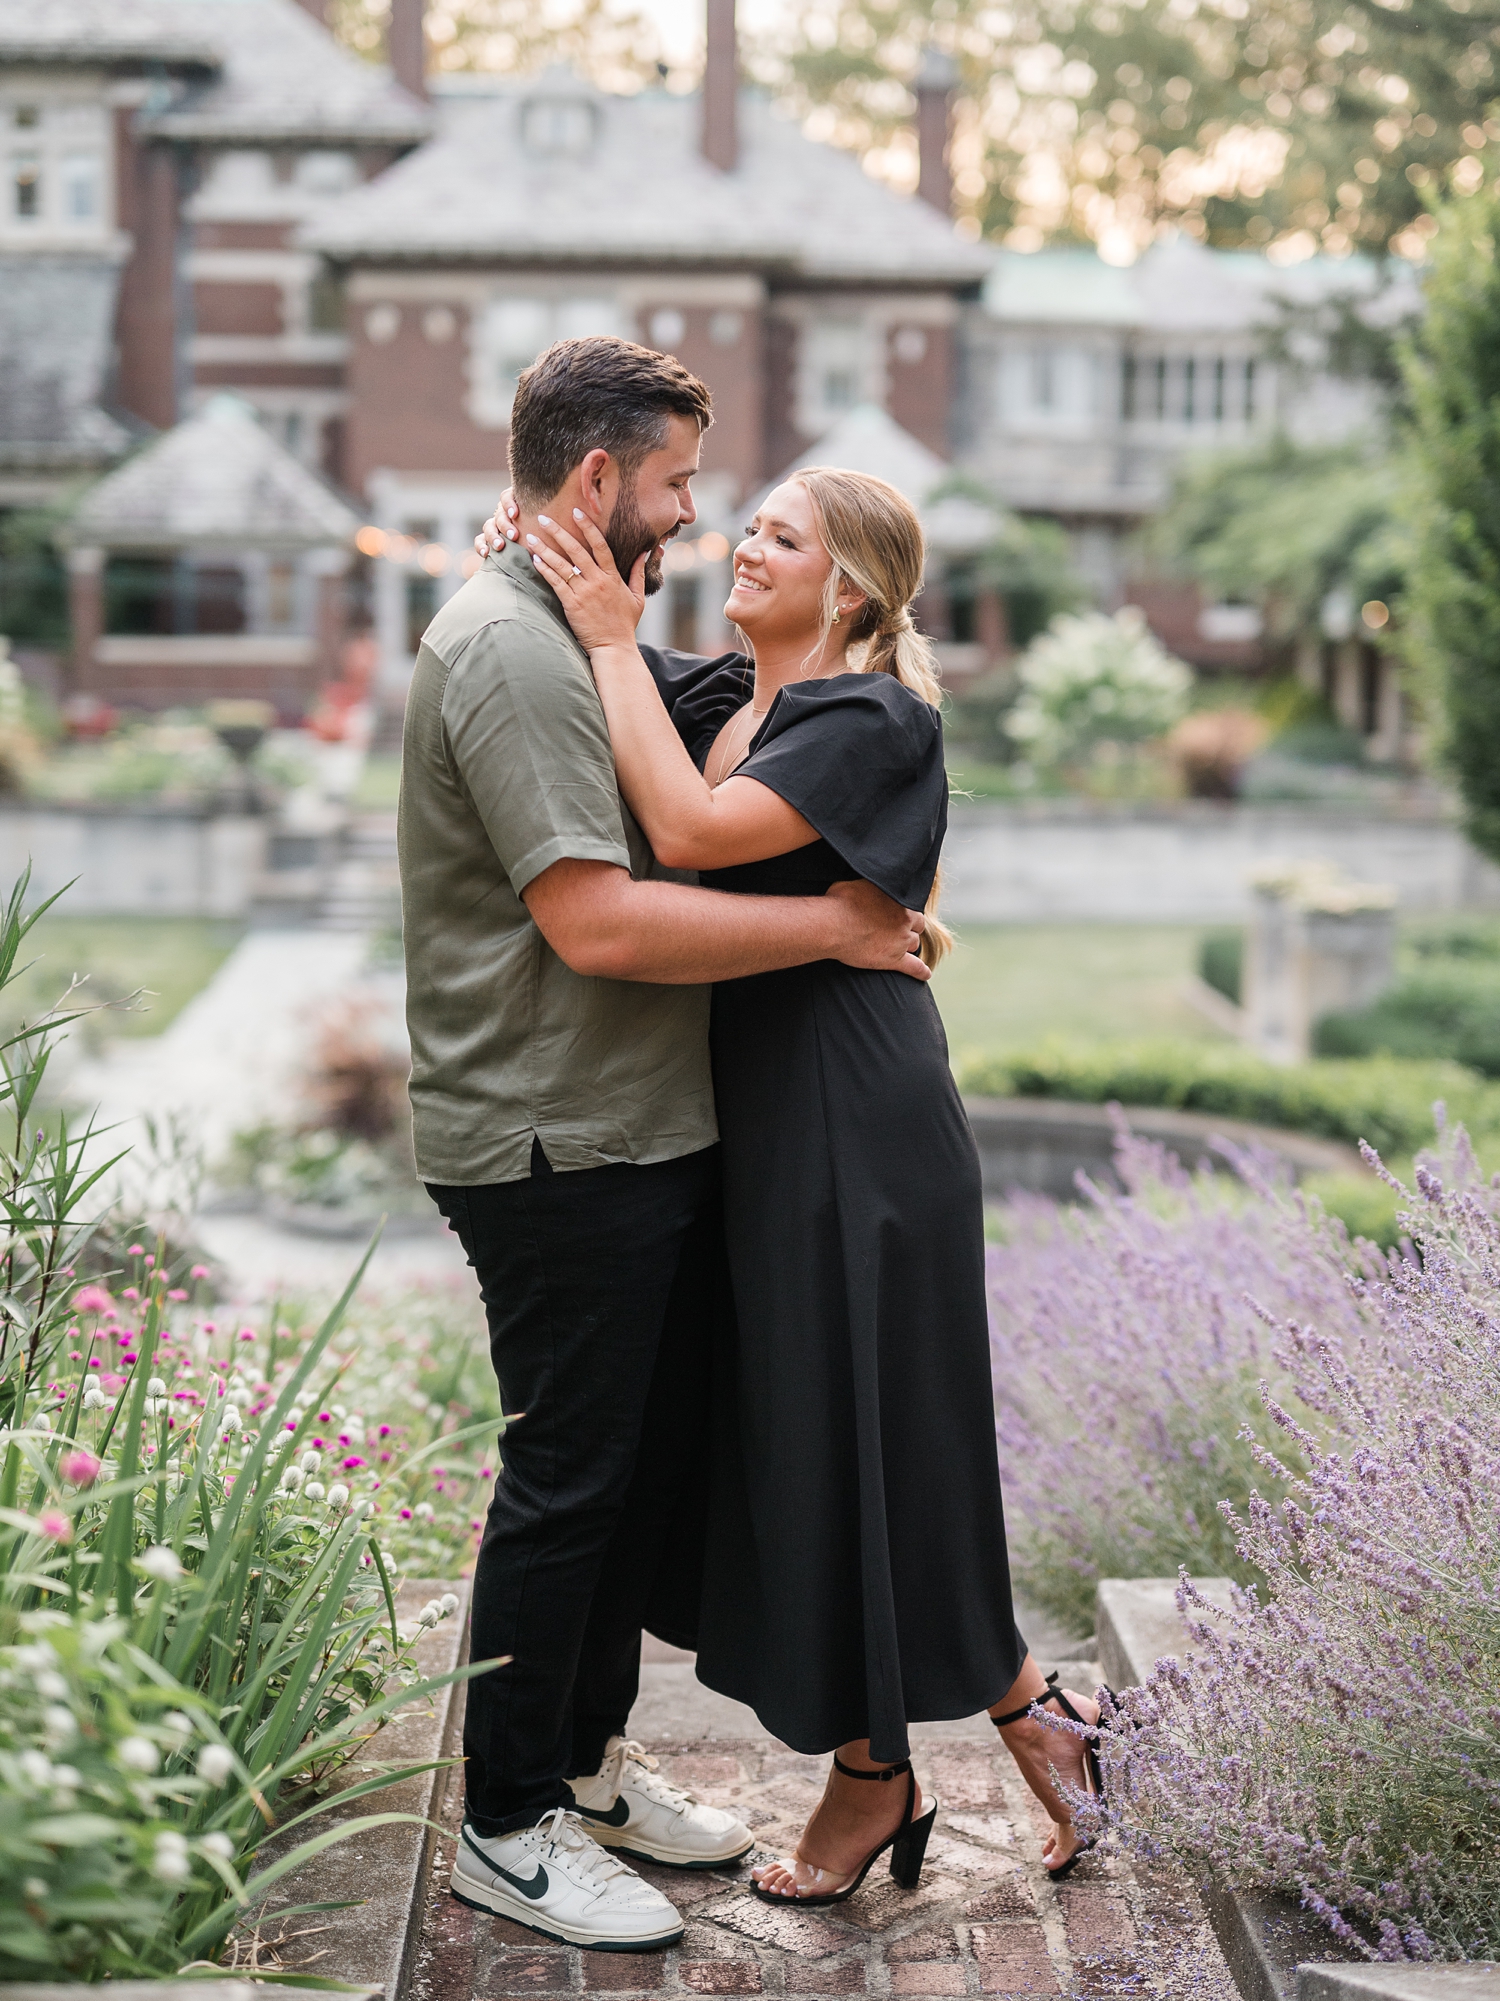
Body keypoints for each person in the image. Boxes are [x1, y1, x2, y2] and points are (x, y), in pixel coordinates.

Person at [398, 337, 931, 1954]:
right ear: (593, 483)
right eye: (682, 485)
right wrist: (840, 931)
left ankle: (583, 1764)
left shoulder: (575, 628)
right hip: (555, 1132)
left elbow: (723, 751)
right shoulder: (510, 651)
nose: (696, 519)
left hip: (634, 1122)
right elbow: (604, 924)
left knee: (623, 1481)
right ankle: (506, 1821)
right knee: (567, 1483)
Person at [511, 464, 1105, 1906]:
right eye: (749, 525)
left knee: (870, 1432)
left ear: (849, 585)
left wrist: (601, 635)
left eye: (779, 534)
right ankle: (1039, 1726)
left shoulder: (872, 717)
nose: (745, 546)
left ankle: (875, 1769)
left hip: (856, 1115)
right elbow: (609, 688)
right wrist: (550, 562)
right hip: (766, 1121)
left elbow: (701, 839)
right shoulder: (728, 699)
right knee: (827, 1433)